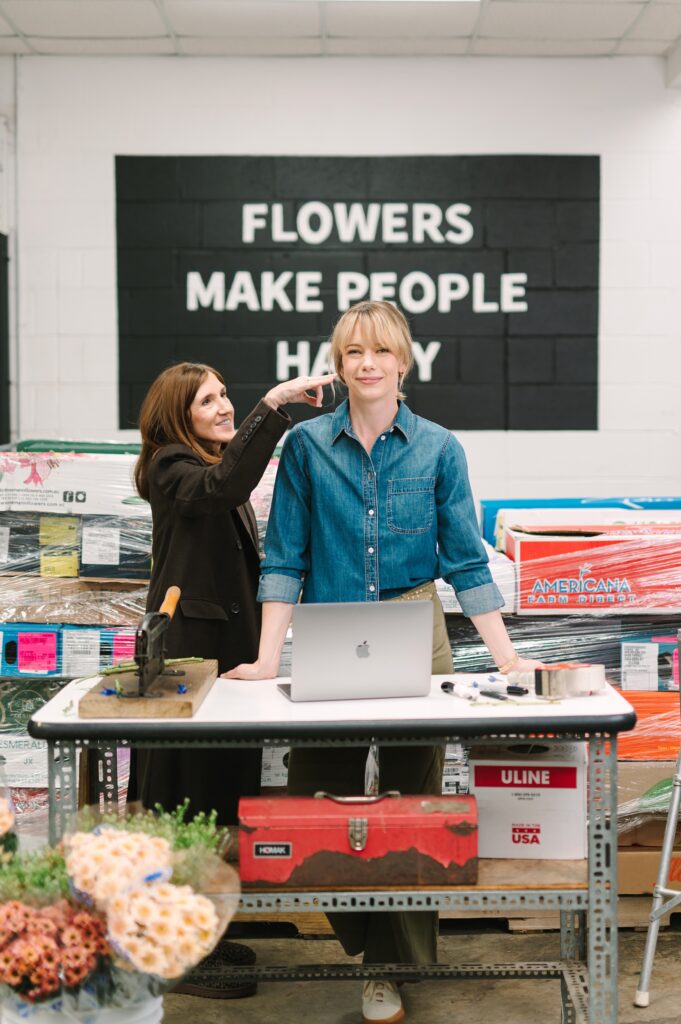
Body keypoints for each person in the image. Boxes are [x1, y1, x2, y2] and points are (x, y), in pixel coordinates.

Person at [228, 301, 541, 1024]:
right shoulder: (306, 447)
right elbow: (284, 558)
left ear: (402, 360)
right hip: (332, 622)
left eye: (379, 351)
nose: (365, 364)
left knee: (411, 805)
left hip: (411, 624)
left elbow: (464, 559)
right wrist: (265, 660)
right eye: (351, 353)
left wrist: (507, 657)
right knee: (313, 799)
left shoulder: (438, 448)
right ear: (337, 365)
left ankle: (389, 969)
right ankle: (367, 934)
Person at [128, 361, 335, 1000]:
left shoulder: (200, 469)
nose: (223, 406)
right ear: (176, 417)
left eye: (226, 395)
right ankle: (173, 957)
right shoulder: (172, 467)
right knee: (184, 808)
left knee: (218, 804)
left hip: (224, 665)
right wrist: (272, 406)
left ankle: (202, 937)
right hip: (191, 671)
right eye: (208, 400)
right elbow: (222, 485)